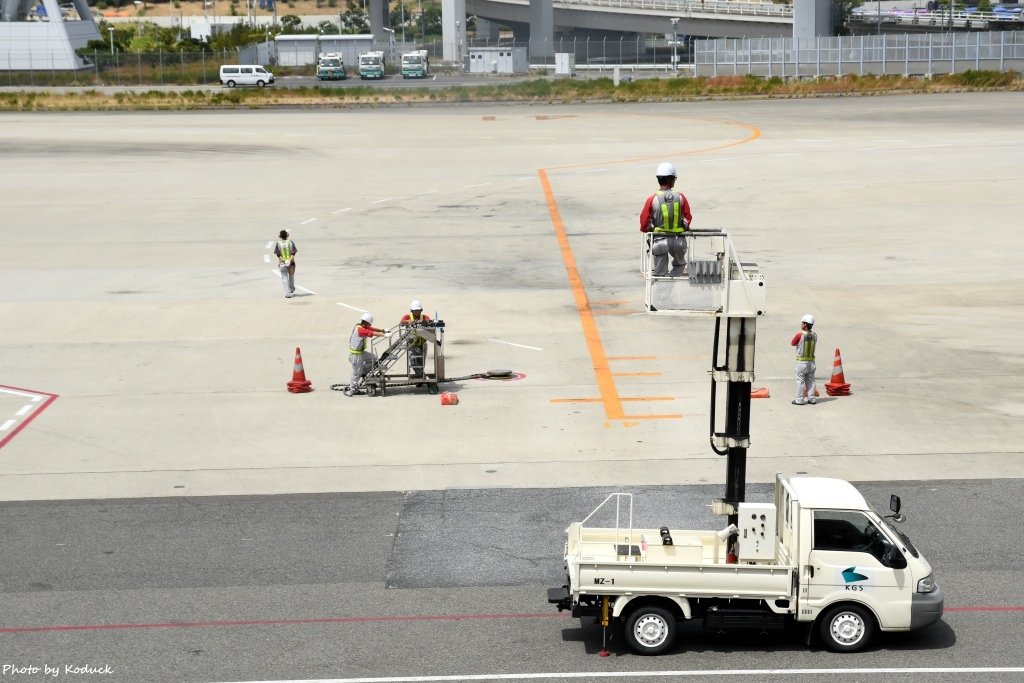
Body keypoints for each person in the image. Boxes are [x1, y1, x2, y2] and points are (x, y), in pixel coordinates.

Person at [640, 162, 692, 277]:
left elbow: (644, 223)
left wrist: (651, 228)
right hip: (678, 241)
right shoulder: (681, 197)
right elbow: (687, 220)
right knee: (679, 266)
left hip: (659, 241)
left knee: (660, 274)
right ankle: (673, 286)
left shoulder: (652, 199)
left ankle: (662, 292)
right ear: (671, 179)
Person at [348, 312, 386, 390]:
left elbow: (371, 329)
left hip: (360, 353)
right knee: (356, 373)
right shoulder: (360, 330)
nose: (370, 326)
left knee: (374, 358)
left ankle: (364, 372)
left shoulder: (361, 326)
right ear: (366, 323)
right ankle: (353, 389)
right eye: (369, 324)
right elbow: (370, 332)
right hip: (356, 355)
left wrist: (383, 330)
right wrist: (383, 335)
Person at [399, 300, 432, 378]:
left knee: (421, 363)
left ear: (421, 310)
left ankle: (419, 377)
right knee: (413, 362)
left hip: (422, 344)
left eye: (418, 310)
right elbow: (401, 322)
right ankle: (421, 377)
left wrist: (423, 321)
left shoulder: (424, 317)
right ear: (412, 311)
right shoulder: (407, 316)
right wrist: (410, 321)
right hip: (412, 344)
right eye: (415, 310)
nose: (417, 312)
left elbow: (429, 321)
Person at [791, 314, 817, 405]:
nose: (801, 324)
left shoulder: (799, 335)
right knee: (811, 380)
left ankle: (799, 400)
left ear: (805, 324)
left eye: (802, 323)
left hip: (801, 363)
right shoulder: (815, 335)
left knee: (800, 381)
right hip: (812, 363)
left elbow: (793, 343)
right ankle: (812, 398)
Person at [274, 229, 298, 298]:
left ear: (280, 236)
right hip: (291, 263)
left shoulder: (278, 243)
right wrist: (289, 260)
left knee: (284, 277)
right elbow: (293, 253)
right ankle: (291, 289)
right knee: (291, 276)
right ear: (287, 235)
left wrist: (284, 260)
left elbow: (278, 255)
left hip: (282, 263)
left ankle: (287, 293)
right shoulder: (290, 242)